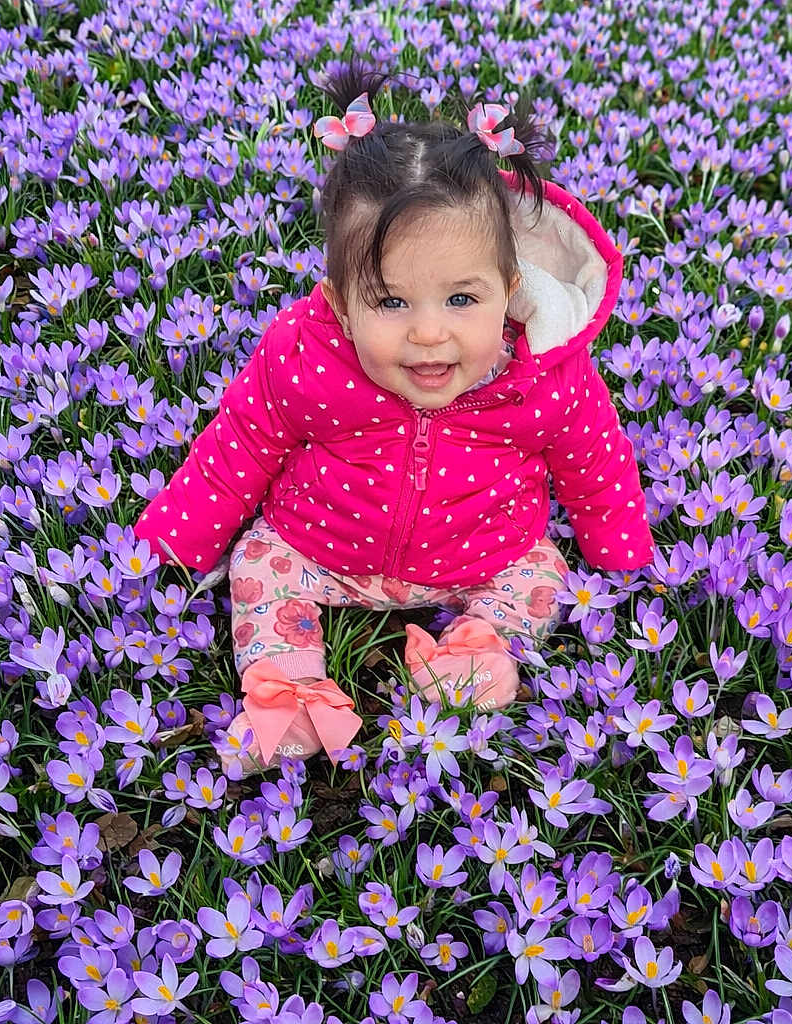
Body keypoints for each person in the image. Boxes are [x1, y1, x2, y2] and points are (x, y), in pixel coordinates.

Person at [133, 61, 655, 777]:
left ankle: (477, 647)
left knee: (542, 572)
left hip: (485, 552)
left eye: (462, 300)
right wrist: (177, 538)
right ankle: (287, 683)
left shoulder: (548, 375)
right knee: (260, 561)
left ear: (509, 290)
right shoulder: (304, 353)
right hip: (320, 546)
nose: (430, 334)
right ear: (341, 299)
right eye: (390, 302)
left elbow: (595, 461)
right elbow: (241, 443)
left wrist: (619, 545)